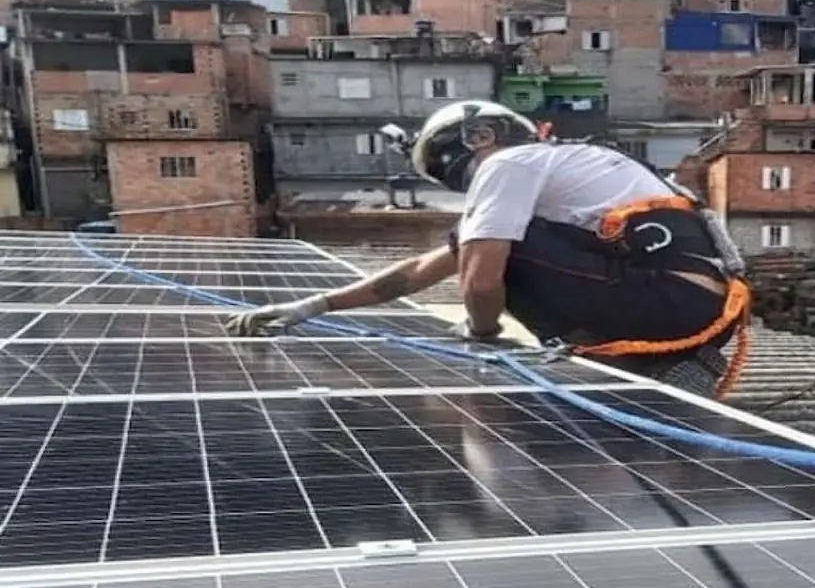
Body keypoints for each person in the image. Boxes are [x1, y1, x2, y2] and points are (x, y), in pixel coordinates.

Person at [227, 100, 752, 398]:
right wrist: (312, 306)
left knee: (495, 256)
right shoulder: (567, 171)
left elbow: (479, 280)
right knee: (488, 248)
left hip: (667, 302)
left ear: (479, 138)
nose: (464, 186)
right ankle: (654, 365)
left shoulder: (508, 164)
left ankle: (628, 359)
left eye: (455, 173)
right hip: (694, 308)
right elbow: (421, 269)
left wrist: (481, 334)